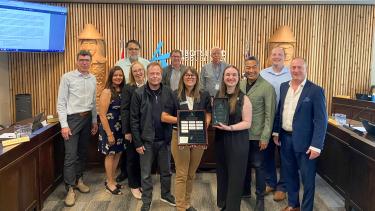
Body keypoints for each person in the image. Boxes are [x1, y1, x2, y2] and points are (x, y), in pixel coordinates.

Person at [273, 57, 328, 211]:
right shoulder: (284, 87)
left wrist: (317, 146)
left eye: (299, 68)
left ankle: (306, 208)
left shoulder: (315, 90)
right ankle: (293, 205)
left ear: (306, 69)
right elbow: (280, 112)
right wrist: (277, 132)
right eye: (293, 67)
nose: (296, 70)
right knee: (289, 175)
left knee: (308, 179)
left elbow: (321, 121)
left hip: (306, 143)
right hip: (285, 139)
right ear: (290, 69)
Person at [161, 67, 212, 211]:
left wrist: (206, 122)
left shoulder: (204, 95)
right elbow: (164, 116)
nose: (190, 77)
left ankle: (187, 203)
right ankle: (180, 206)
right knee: (182, 174)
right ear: (183, 78)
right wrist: (183, 120)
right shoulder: (174, 94)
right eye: (187, 75)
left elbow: (208, 113)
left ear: (197, 78)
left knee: (191, 174)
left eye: (193, 75)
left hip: (198, 136)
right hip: (179, 136)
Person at [130, 62, 176, 211]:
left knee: (166, 171)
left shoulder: (169, 92)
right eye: (152, 74)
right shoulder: (138, 94)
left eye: (157, 73)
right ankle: (146, 201)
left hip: (165, 140)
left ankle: (166, 194)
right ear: (147, 75)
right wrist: (137, 143)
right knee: (145, 175)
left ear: (161, 75)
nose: (155, 76)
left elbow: (176, 114)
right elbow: (134, 120)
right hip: (146, 141)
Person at [57, 50, 98, 207]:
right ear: (76, 61)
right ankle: (69, 189)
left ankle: (79, 180)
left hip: (87, 119)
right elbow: (61, 103)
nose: (84, 63)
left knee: (82, 153)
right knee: (70, 156)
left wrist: (94, 121)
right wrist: (64, 125)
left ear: (90, 62)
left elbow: (93, 102)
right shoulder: (67, 77)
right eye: (81, 60)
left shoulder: (93, 78)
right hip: (72, 120)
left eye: (87, 60)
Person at [240, 56, 276, 211]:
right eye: (248, 67)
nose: (251, 70)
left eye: (254, 67)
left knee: (259, 167)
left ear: (258, 67)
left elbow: (270, 115)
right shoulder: (240, 83)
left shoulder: (267, 87)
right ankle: (245, 191)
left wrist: (265, 137)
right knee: (244, 165)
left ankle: (260, 198)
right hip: (241, 134)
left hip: (257, 135)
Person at [214, 65, 252, 211]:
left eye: (234, 75)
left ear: (238, 78)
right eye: (228, 75)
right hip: (220, 140)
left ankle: (232, 208)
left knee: (235, 177)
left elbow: (247, 123)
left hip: (237, 140)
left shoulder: (244, 98)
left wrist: (229, 128)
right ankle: (223, 205)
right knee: (222, 174)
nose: (230, 77)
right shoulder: (218, 95)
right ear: (223, 77)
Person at [260, 47, 291, 201]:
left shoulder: (291, 73)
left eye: (280, 54)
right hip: (268, 118)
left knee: (285, 155)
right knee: (266, 153)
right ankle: (270, 182)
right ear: (270, 56)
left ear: (285, 57)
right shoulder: (263, 73)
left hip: (286, 120)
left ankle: (282, 186)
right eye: (274, 54)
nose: (276, 56)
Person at [97, 66, 125, 195]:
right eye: (115, 75)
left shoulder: (122, 90)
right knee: (110, 154)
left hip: (120, 128)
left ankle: (112, 180)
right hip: (109, 128)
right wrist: (109, 134)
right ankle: (109, 182)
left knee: (118, 154)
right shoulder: (107, 92)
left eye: (120, 75)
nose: (118, 77)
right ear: (111, 77)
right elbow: (102, 114)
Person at [120, 61, 146, 199]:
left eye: (140, 70)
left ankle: (141, 182)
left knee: (144, 158)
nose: (138, 73)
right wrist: (127, 131)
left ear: (144, 71)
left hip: (146, 129)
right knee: (132, 158)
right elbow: (124, 110)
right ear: (131, 73)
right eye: (135, 71)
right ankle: (134, 185)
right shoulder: (128, 88)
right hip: (132, 129)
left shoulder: (149, 86)